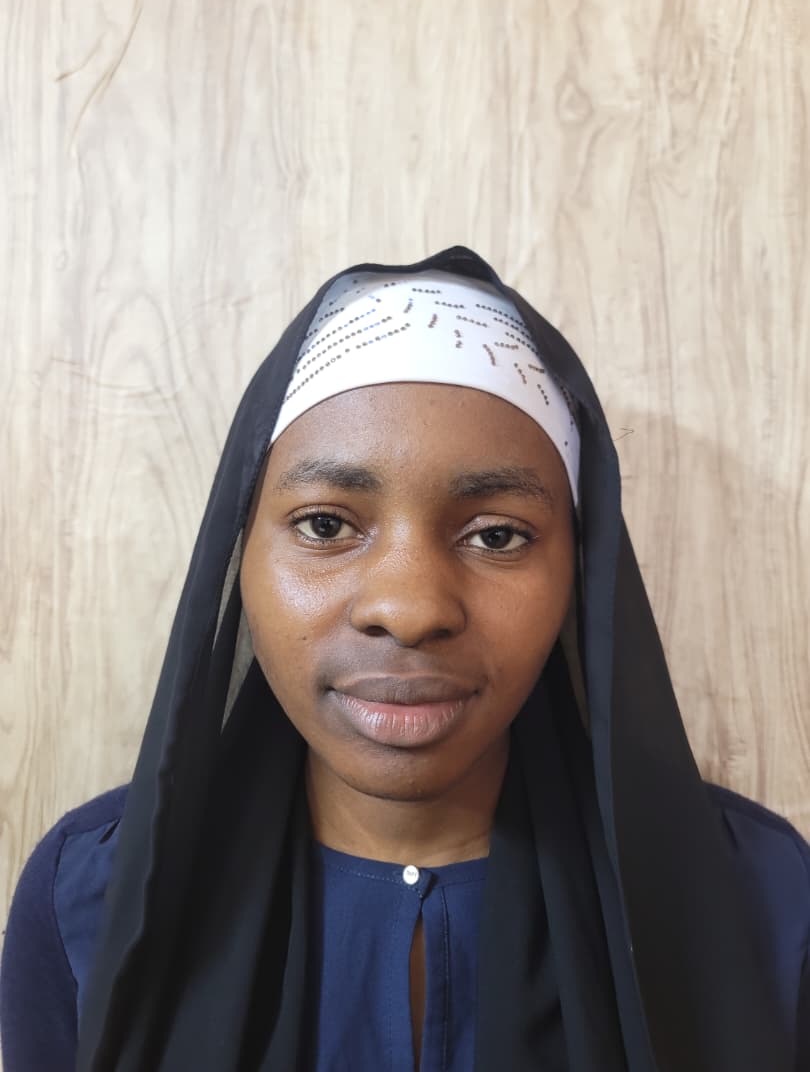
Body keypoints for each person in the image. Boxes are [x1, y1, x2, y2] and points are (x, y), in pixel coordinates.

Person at [1, 246, 808, 1071]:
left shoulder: (759, 895)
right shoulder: (92, 897)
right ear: (239, 553)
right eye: (325, 525)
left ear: (580, 572)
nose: (411, 609)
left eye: (497, 535)